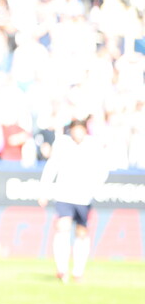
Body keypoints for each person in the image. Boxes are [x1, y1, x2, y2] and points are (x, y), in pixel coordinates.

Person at [38, 119, 110, 283]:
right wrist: (44, 191)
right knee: (62, 227)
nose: (78, 133)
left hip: (83, 196)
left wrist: (96, 187)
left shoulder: (93, 145)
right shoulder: (62, 144)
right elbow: (51, 167)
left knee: (81, 232)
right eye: (75, 130)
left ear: (85, 131)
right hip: (64, 194)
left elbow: (103, 168)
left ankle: (78, 271)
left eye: (80, 130)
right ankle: (62, 269)